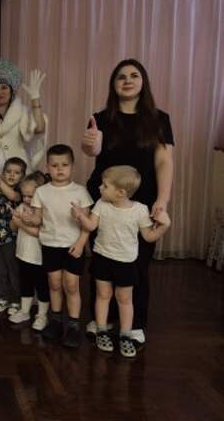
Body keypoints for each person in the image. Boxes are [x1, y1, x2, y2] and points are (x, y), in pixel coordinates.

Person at [81, 58, 174, 346]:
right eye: (121, 76)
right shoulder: (100, 118)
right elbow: (91, 150)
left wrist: (162, 199)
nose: (127, 80)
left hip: (142, 202)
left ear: (143, 82)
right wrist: (90, 145)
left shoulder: (159, 119)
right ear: (114, 84)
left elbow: (164, 161)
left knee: (136, 265)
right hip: (103, 199)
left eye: (134, 75)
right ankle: (102, 320)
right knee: (103, 260)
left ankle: (133, 325)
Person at [73, 165, 171, 357]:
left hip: (126, 263)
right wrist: (80, 216)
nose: (100, 188)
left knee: (125, 299)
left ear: (121, 192)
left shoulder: (140, 210)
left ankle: (125, 334)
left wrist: (164, 226)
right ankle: (102, 330)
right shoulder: (101, 204)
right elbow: (91, 226)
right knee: (103, 295)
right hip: (102, 258)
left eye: (105, 185)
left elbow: (149, 236)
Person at [26, 144, 93, 348]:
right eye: (54, 165)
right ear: (47, 167)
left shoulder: (80, 191)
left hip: (73, 246)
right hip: (50, 244)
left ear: (72, 166)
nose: (60, 169)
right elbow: (38, 219)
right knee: (54, 283)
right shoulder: (41, 192)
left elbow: (88, 223)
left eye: (64, 165)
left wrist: (81, 243)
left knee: (71, 285)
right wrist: (29, 218)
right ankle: (55, 320)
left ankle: (73, 325)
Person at [8, 172, 50, 330]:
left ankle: (42, 315)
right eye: (24, 195)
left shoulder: (44, 211)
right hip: (23, 254)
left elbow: (39, 233)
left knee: (42, 286)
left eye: (30, 196)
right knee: (25, 283)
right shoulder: (22, 206)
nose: (26, 199)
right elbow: (13, 228)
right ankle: (25, 311)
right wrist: (15, 219)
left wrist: (21, 224)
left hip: (38, 257)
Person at [0, 157, 26, 314]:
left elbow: (12, 197)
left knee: (13, 270)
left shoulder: (20, 192)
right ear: (3, 173)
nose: (11, 175)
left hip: (12, 238)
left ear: (22, 176)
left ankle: (16, 300)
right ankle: (3, 297)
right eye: (8, 171)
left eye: (16, 173)